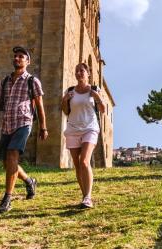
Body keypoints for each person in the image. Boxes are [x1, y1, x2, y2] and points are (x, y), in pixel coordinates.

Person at [0, 46, 48, 215]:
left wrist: (43, 127)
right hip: (7, 124)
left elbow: (39, 105)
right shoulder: (4, 81)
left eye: (21, 57)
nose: (17, 59)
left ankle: (7, 199)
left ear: (27, 61)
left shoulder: (32, 81)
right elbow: (1, 105)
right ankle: (29, 181)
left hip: (23, 122)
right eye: (16, 56)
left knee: (12, 155)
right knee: (8, 162)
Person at [62, 63, 106, 208]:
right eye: (77, 71)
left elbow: (103, 110)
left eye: (82, 71)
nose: (79, 73)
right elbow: (66, 112)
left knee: (84, 162)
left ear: (88, 74)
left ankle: (88, 197)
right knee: (77, 164)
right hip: (73, 129)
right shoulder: (70, 91)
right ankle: (84, 195)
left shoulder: (94, 89)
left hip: (90, 128)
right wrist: (64, 100)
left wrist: (97, 96)